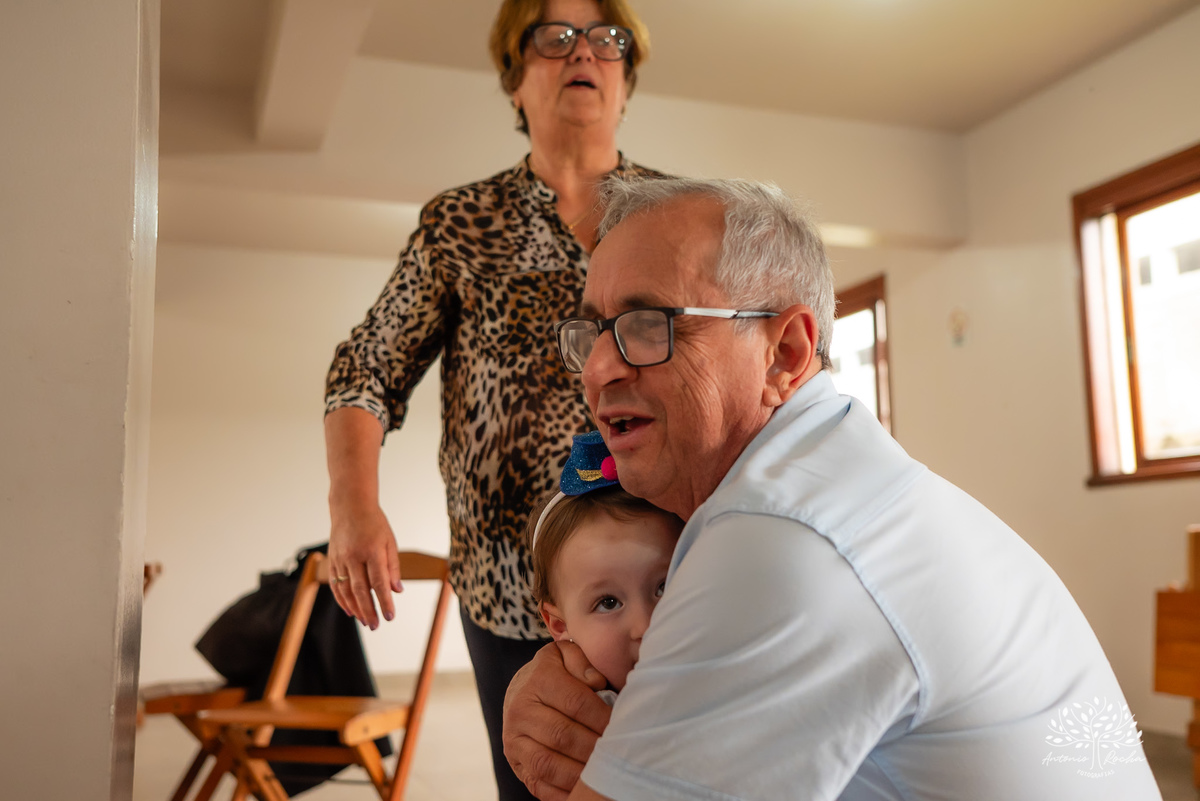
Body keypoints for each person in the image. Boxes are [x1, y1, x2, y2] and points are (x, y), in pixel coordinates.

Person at [501, 176, 1162, 801]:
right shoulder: (831, 481)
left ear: (785, 352)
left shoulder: (783, 537)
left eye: (649, 324)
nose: (598, 368)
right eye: (593, 333)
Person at [321, 2, 660, 798]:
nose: (584, 52)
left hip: (662, 568)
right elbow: (365, 367)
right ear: (514, 79)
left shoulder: (669, 216)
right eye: (555, 37)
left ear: (626, 81)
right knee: (539, 785)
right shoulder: (458, 224)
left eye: (607, 39)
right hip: (511, 586)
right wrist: (353, 506)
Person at [527, 431, 684, 699]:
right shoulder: (577, 717)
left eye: (664, 586)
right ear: (559, 625)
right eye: (608, 603)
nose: (646, 626)